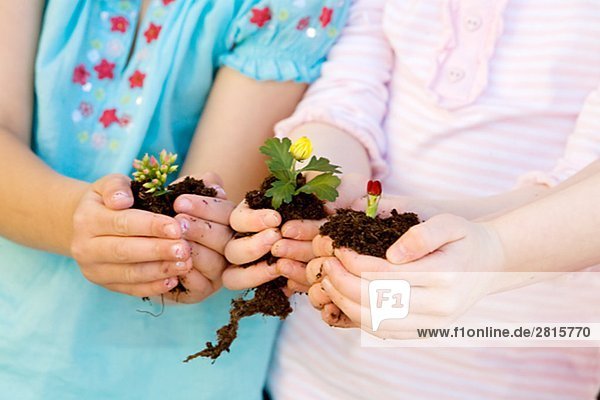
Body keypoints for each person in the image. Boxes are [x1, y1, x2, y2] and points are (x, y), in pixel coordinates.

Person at [223, 0, 600, 398]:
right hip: (312, 376)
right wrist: (329, 191)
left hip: (511, 372)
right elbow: (345, 98)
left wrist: (484, 249)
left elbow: (579, 189)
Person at [0, 1, 349, 398]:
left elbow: (207, 226)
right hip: (14, 344)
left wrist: (190, 245)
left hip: (171, 374)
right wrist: (73, 220)